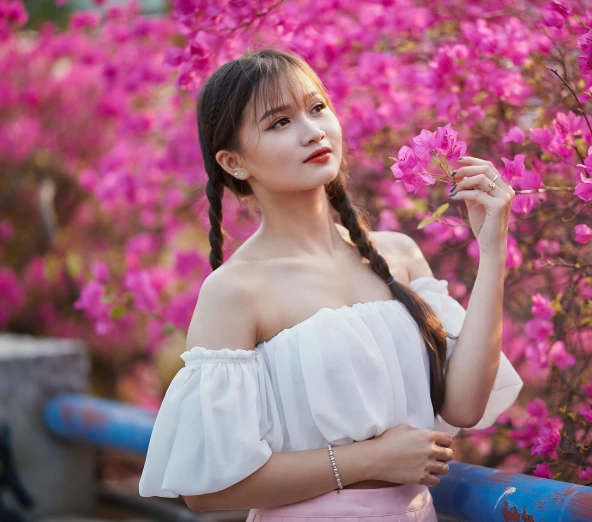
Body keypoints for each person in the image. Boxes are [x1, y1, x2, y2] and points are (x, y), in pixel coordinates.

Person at [138, 47, 523, 521]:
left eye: (317, 107)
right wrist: (369, 460)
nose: (312, 131)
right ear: (234, 163)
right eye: (279, 122)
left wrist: (492, 250)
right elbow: (207, 490)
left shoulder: (396, 254)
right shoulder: (236, 290)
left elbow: (463, 406)